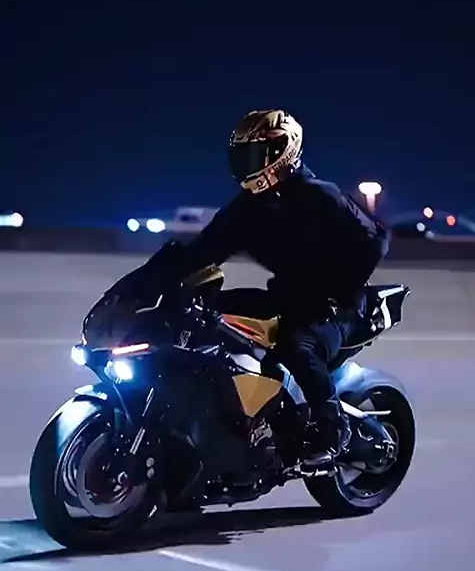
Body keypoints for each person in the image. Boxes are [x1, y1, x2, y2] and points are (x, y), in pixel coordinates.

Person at [112, 110, 390, 473]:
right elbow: (202, 250)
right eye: (241, 155)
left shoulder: (320, 196)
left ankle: (331, 428)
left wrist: (334, 284)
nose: (246, 164)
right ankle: (231, 416)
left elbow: (373, 240)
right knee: (211, 313)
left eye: (255, 154)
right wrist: (145, 284)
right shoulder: (247, 209)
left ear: (282, 152)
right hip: (285, 297)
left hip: (335, 307)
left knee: (298, 346)